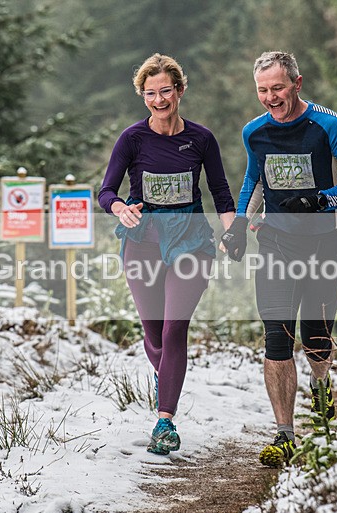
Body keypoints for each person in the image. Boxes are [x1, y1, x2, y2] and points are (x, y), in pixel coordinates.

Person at [221, 51, 337, 467]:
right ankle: (285, 433)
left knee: (316, 336)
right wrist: (236, 227)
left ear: (297, 84)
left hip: (325, 244)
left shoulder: (328, 124)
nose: (271, 97)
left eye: (278, 88)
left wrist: (321, 199)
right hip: (276, 243)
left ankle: (321, 384)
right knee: (277, 336)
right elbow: (253, 179)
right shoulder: (255, 131)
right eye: (263, 90)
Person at [98, 53, 236, 455]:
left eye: (166, 91)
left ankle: (165, 421)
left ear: (179, 90)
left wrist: (233, 231)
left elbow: (221, 191)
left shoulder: (201, 139)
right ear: (143, 96)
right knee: (154, 332)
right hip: (142, 241)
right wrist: (120, 207)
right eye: (151, 93)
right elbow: (105, 191)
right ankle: (167, 375)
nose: (159, 100)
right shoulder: (132, 139)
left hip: (191, 241)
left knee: (175, 328)